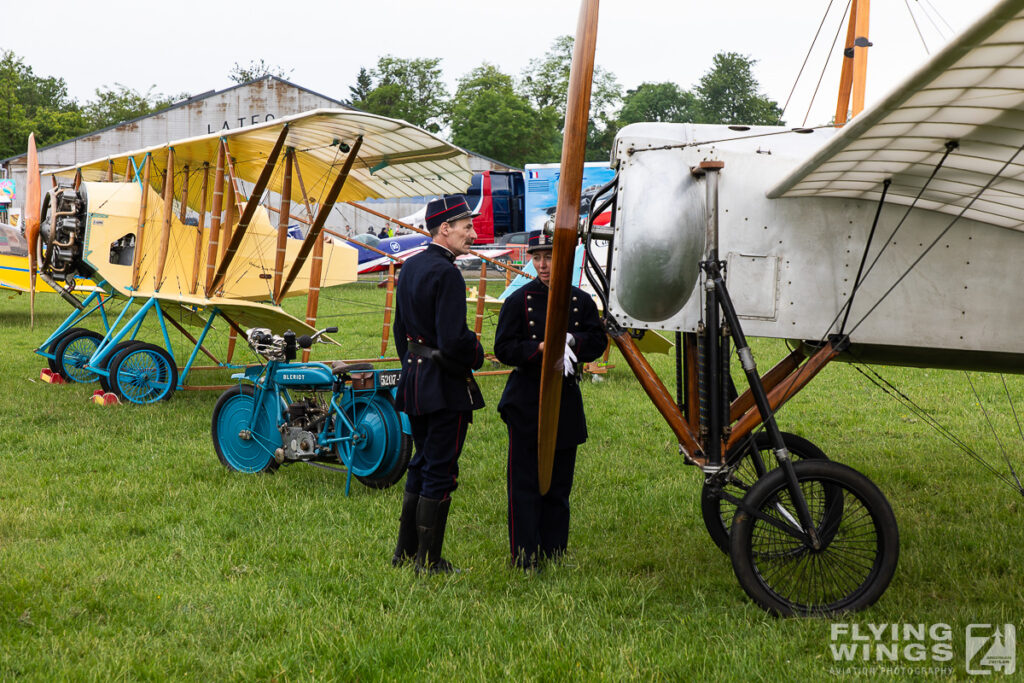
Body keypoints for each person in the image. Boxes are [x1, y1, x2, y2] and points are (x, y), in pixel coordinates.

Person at [494, 231, 607, 570]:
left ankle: (555, 552)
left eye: (550, 257)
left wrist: (572, 340)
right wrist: (540, 349)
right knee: (525, 484)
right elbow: (503, 348)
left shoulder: (580, 301)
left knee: (559, 484)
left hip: (566, 399)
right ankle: (525, 556)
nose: (543, 265)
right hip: (527, 400)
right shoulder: (519, 300)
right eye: (537, 257)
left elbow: (598, 340)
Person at [391, 194, 485, 574]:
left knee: (421, 463)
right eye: (466, 227)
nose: (473, 234)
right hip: (444, 387)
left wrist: (413, 367)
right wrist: (476, 350)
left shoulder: (410, 267)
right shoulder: (447, 273)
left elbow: (401, 332)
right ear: (444, 229)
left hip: (414, 381)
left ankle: (404, 553)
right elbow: (452, 340)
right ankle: (427, 561)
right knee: (440, 470)